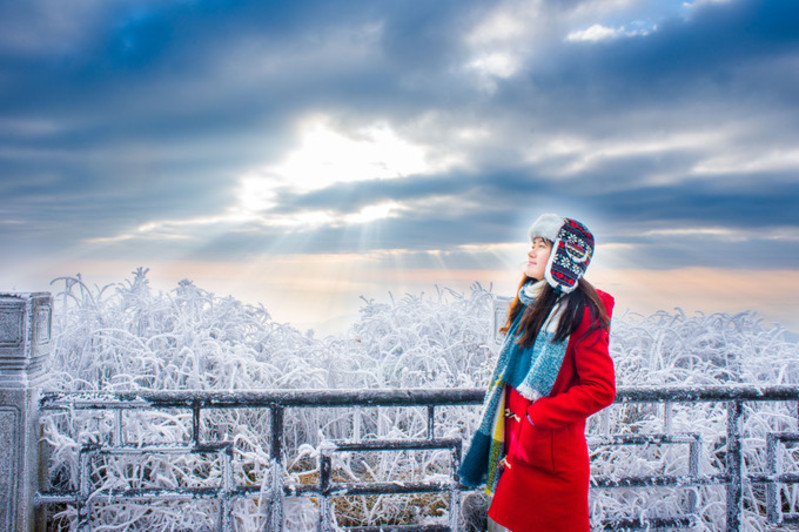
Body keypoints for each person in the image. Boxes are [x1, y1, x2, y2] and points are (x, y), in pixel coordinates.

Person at [459, 213, 616, 531]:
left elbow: (601, 388)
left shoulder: (582, 313)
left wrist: (537, 417)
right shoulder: (532, 304)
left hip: (551, 463)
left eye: (542, 245)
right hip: (517, 456)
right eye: (532, 244)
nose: (531, 252)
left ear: (564, 256)